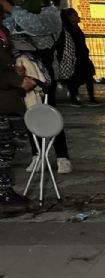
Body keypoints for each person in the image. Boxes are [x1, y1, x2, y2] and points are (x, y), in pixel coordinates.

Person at [0, 0, 73, 174]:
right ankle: (38, 154)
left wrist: (12, 9)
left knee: (48, 110)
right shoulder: (12, 15)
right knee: (29, 112)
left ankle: (62, 156)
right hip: (22, 70)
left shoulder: (51, 13)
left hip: (44, 71)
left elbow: (35, 26)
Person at [0, 7, 36, 204]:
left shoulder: (3, 32)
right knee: (3, 150)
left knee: (6, 149)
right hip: (3, 101)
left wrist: (15, 73)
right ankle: (3, 191)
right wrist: (16, 80)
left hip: (8, 101)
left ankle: (4, 189)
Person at [62, 8, 99, 107]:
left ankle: (91, 98)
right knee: (74, 78)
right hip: (74, 56)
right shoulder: (67, 28)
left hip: (82, 55)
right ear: (70, 17)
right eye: (75, 15)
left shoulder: (76, 27)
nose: (78, 17)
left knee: (88, 75)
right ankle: (74, 98)